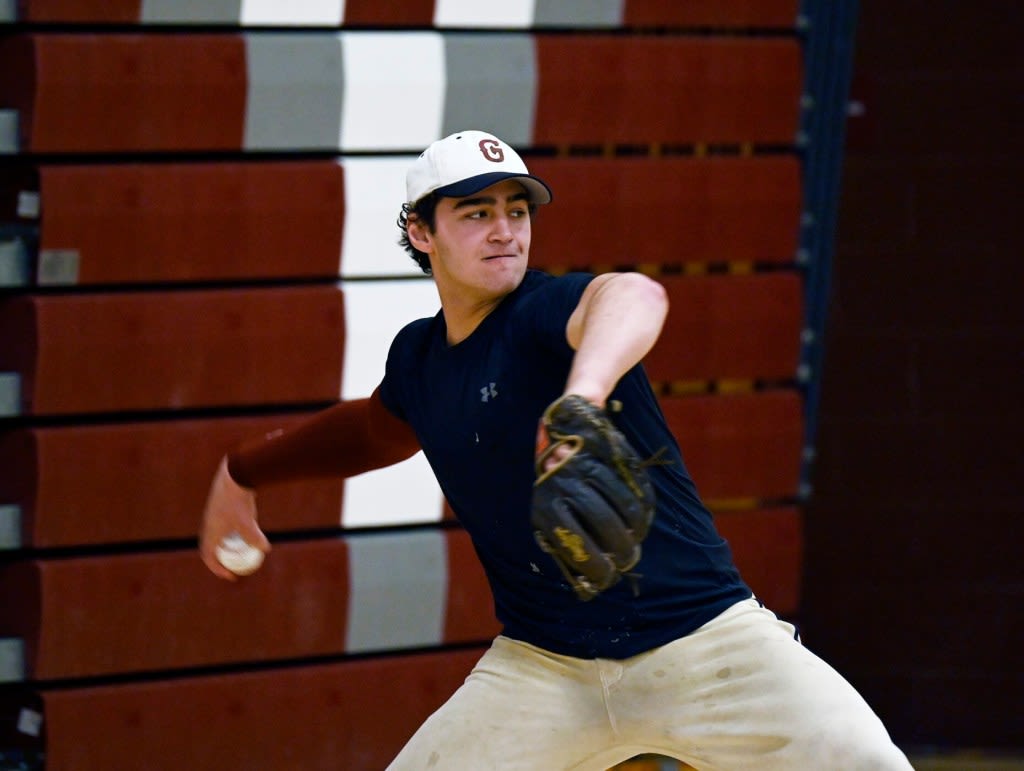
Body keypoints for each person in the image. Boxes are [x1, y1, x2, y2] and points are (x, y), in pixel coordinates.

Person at [200, 130, 913, 770]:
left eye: (518, 210)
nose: (505, 229)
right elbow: (373, 431)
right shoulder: (420, 359)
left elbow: (634, 296)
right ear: (422, 232)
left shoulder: (545, 314)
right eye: (476, 213)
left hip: (703, 642)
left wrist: (584, 396)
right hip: (547, 667)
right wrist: (243, 471)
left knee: (867, 761)